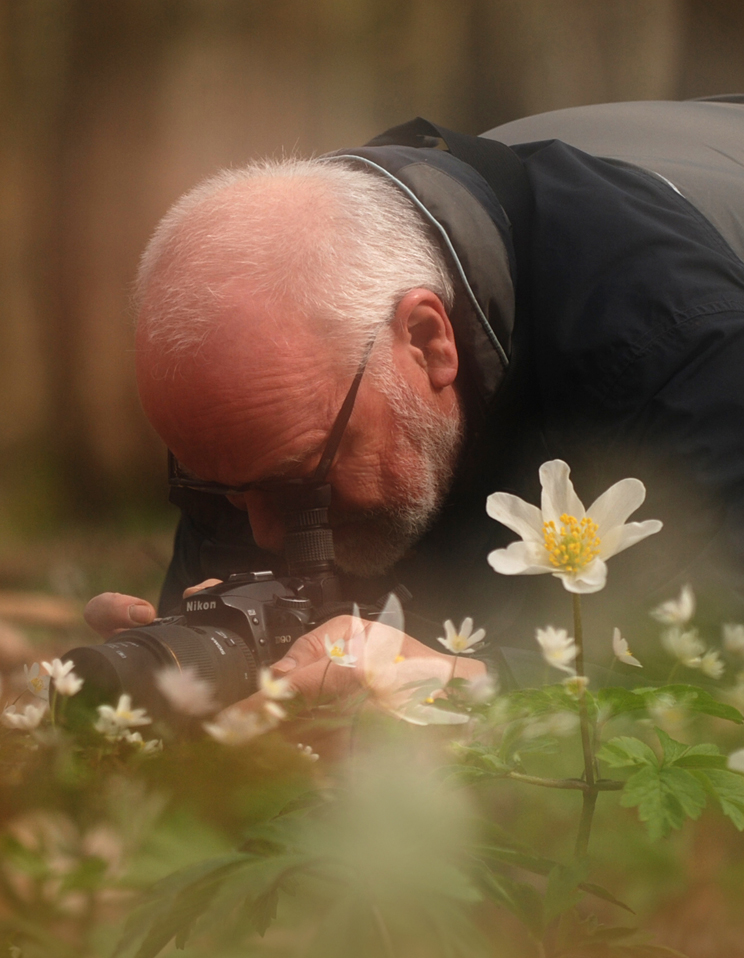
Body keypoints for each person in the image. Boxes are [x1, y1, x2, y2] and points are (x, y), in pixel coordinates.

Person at [85, 98, 744, 697]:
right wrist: (187, 675)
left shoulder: (675, 342)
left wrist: (467, 688)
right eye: (220, 491)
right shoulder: (270, 409)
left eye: (296, 487)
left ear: (428, 341)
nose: (259, 532)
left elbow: (702, 679)